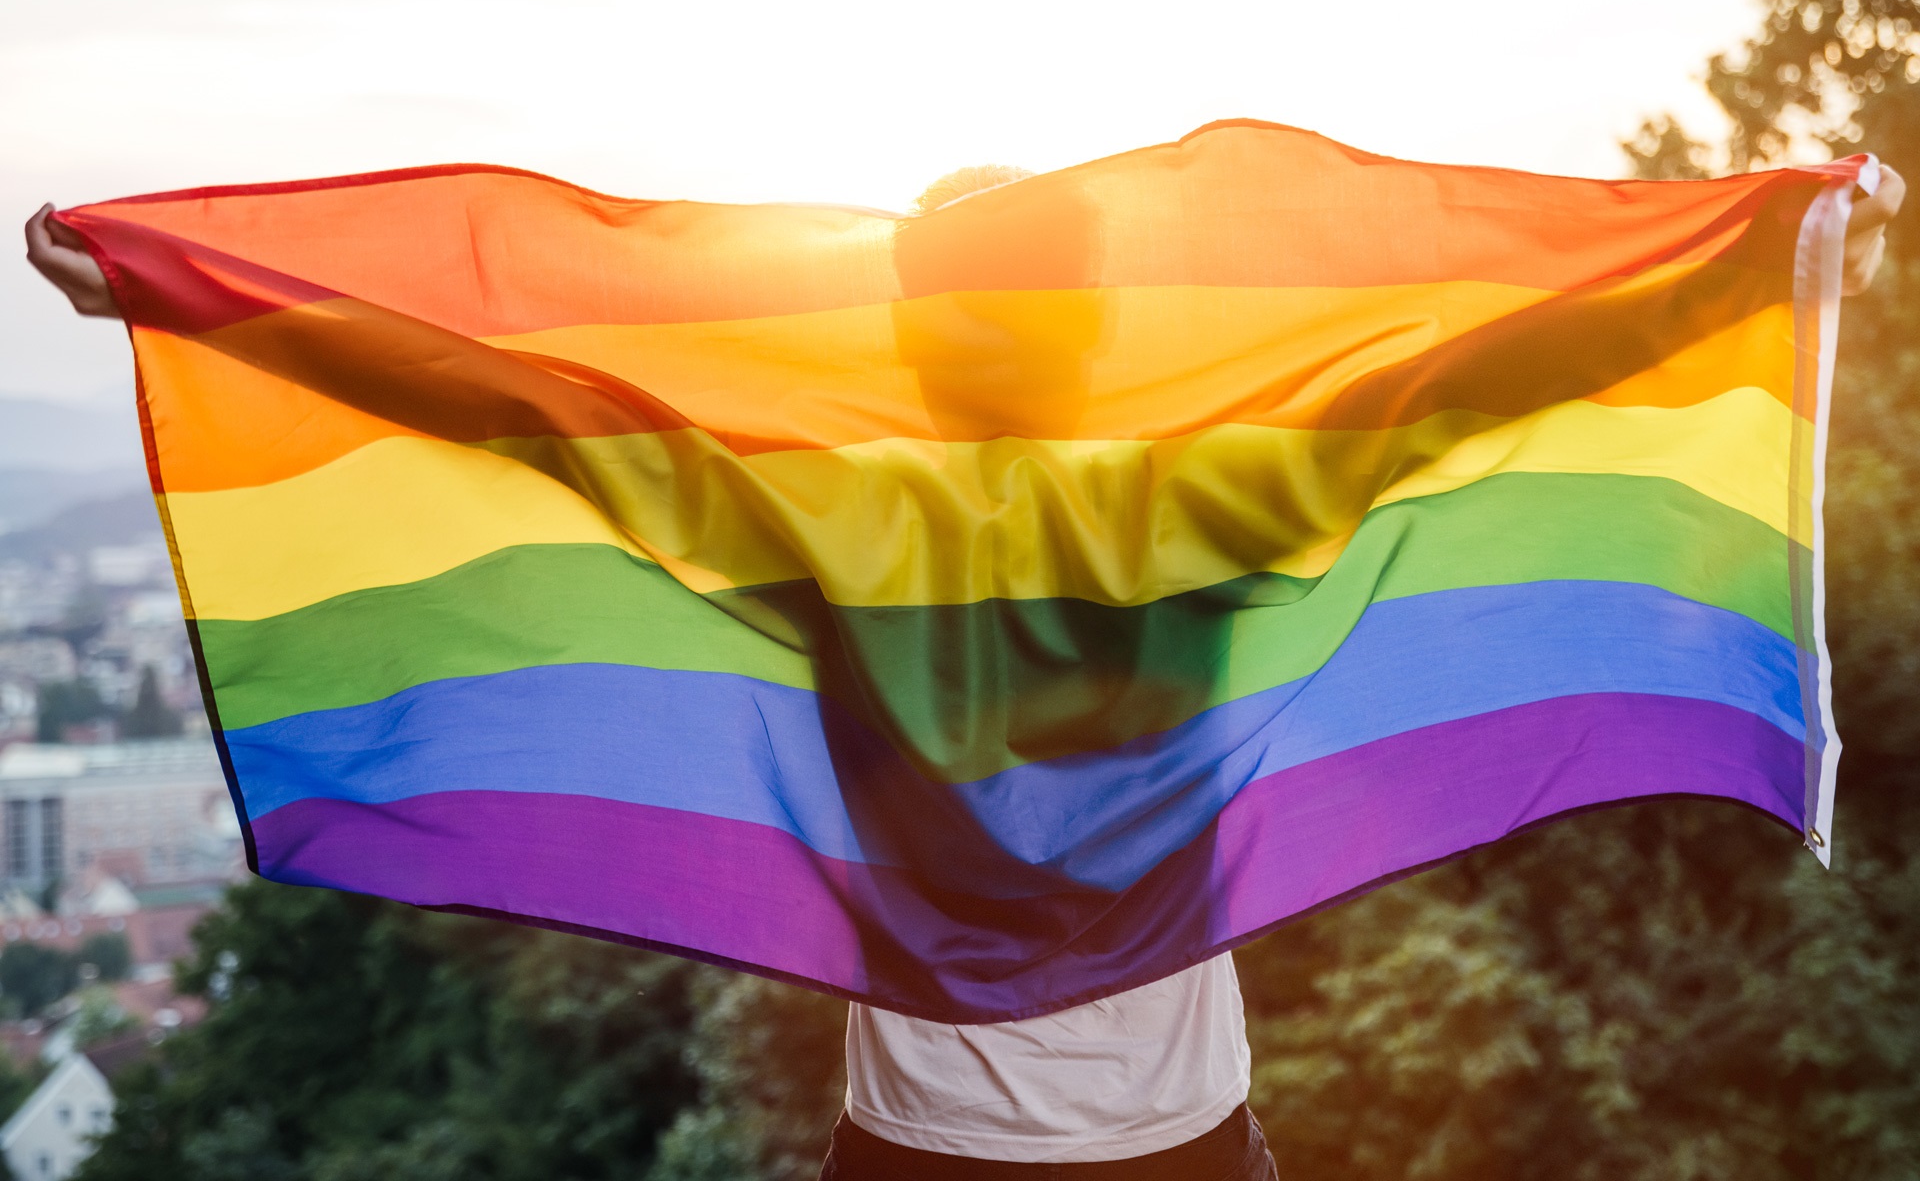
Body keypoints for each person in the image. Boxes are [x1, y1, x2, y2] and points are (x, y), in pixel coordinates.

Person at [25, 158, 1907, 1181]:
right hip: (1181, 1144)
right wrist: (1767, 251)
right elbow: (1473, 382)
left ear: (917, 348)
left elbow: (521, 407)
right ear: (1087, 334)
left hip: (917, 1151)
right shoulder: (1205, 499)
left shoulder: (831, 518)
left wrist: (194, 292)